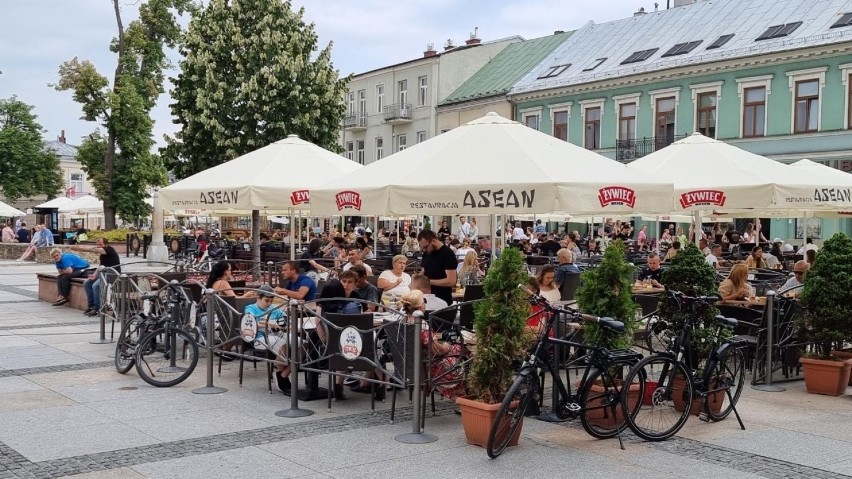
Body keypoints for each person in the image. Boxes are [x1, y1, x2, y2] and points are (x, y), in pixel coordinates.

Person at [399, 290, 467, 400]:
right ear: (420, 306)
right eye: (424, 301)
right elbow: (438, 352)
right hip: (428, 367)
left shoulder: (401, 322)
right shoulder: (420, 325)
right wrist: (447, 346)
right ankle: (463, 397)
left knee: (459, 351)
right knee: (463, 351)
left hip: (407, 366)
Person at [73, 238, 121, 316]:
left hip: (112, 274)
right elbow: (100, 266)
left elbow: (95, 250)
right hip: (103, 273)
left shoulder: (109, 249)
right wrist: (94, 275)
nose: (98, 246)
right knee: (87, 283)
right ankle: (91, 306)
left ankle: (97, 308)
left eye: (100, 244)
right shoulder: (102, 255)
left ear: (106, 244)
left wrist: (80, 248)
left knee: (96, 286)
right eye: (97, 244)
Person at [417, 229, 457, 306]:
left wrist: (428, 281)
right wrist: (418, 278)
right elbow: (424, 270)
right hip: (427, 300)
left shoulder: (447, 254)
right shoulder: (427, 253)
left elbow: (451, 281)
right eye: (422, 247)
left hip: (442, 301)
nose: (424, 249)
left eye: (425, 247)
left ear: (434, 241)